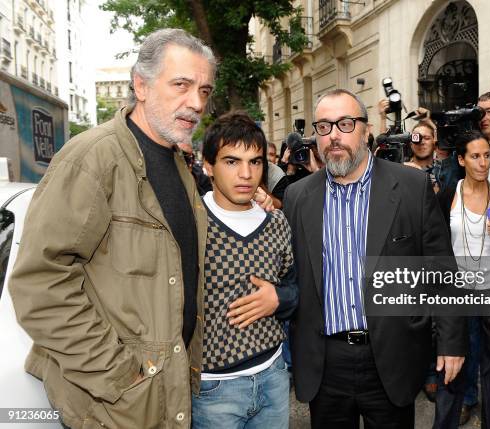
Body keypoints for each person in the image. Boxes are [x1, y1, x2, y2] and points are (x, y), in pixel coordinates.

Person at [8, 29, 214, 428]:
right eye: (181, 85)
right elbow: (40, 283)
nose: (196, 103)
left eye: (204, 91)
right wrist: (119, 374)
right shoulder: (92, 158)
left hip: (163, 393)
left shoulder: (178, 166)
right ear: (140, 84)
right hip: (112, 406)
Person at [283, 89, 467, 428]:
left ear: (367, 131)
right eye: (323, 126)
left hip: (392, 355)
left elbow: (441, 269)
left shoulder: (411, 186)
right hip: (324, 361)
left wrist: (452, 341)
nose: (334, 135)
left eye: (345, 123)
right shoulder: (297, 196)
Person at [192, 111, 298, 429]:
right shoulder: (191, 222)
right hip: (213, 390)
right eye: (231, 161)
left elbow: (297, 286)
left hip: (274, 377)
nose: (245, 174)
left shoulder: (277, 222)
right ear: (208, 165)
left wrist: (278, 298)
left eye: (254, 162)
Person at [437, 130, 490, 428]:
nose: (483, 162)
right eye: (475, 156)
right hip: (458, 294)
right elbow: (434, 245)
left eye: (486, 155)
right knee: (454, 367)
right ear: (461, 159)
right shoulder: (447, 195)